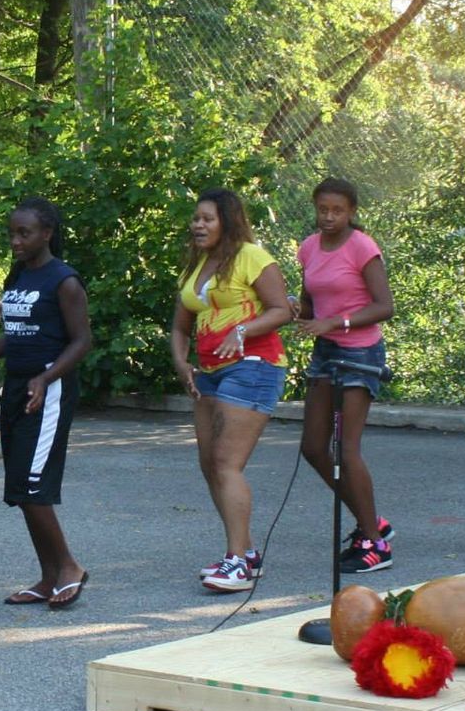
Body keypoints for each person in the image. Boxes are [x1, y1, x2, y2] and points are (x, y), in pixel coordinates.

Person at [0, 197, 92, 609]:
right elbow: (16, 338)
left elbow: (82, 341)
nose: (15, 240)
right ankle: (48, 578)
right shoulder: (18, 277)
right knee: (18, 487)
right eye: (12, 233)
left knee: (32, 484)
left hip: (49, 389)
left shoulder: (64, 281)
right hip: (19, 387)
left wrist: (46, 377)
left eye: (24, 233)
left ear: (47, 233)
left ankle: (69, 568)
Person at [169, 187, 293, 594]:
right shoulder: (198, 264)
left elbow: (282, 310)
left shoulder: (252, 258)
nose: (198, 225)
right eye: (196, 218)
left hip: (254, 366)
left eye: (207, 218)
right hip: (208, 373)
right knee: (209, 464)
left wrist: (241, 330)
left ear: (228, 220)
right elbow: (180, 326)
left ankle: (237, 561)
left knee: (226, 462)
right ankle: (247, 553)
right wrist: (181, 361)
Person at [295, 178, 396, 574]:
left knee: (346, 448)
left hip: (360, 351)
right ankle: (373, 520)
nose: (329, 217)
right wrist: (296, 310)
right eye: (323, 209)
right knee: (313, 447)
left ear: (351, 211)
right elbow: (309, 303)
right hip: (326, 350)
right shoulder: (308, 247)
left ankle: (375, 543)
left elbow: (384, 305)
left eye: (337, 210)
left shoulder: (363, 247)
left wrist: (339, 320)